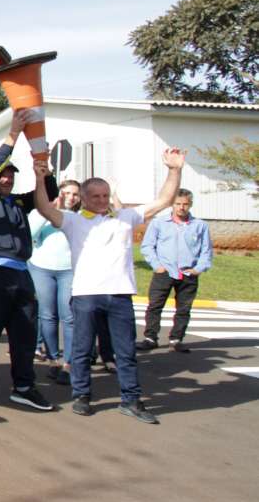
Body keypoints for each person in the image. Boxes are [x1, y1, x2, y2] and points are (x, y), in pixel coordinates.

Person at [32, 147, 187, 424]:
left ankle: (131, 399)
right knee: (81, 349)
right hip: (85, 295)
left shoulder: (126, 218)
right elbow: (44, 207)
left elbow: (163, 200)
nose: (102, 200)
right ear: (84, 198)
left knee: (125, 351)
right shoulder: (73, 220)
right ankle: (81, 395)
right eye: (96, 196)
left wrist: (174, 170)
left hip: (119, 295)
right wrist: (40, 179)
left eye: (105, 195)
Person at [0, 117, 59, 411]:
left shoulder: (18, 202)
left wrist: (44, 170)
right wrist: (14, 133)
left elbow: (50, 194)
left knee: (25, 333)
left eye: (11, 176)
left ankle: (24, 386)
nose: (7, 179)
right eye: (3, 176)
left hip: (21, 274)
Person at [139, 188, 212, 353]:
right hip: (164, 271)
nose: (181, 208)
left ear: (190, 205)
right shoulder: (159, 223)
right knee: (155, 305)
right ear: (172, 204)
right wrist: (157, 265)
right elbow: (148, 246)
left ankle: (177, 338)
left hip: (188, 273)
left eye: (185, 204)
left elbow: (206, 251)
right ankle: (150, 338)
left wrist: (198, 269)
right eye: (178, 204)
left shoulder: (200, 226)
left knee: (184, 308)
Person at [31, 180, 81, 383]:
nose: (71, 197)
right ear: (58, 193)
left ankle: (69, 363)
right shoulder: (41, 213)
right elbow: (30, 234)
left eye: (75, 194)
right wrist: (49, 212)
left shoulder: (80, 217)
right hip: (42, 269)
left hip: (69, 271)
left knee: (69, 317)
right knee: (47, 315)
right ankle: (54, 359)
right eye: (66, 192)